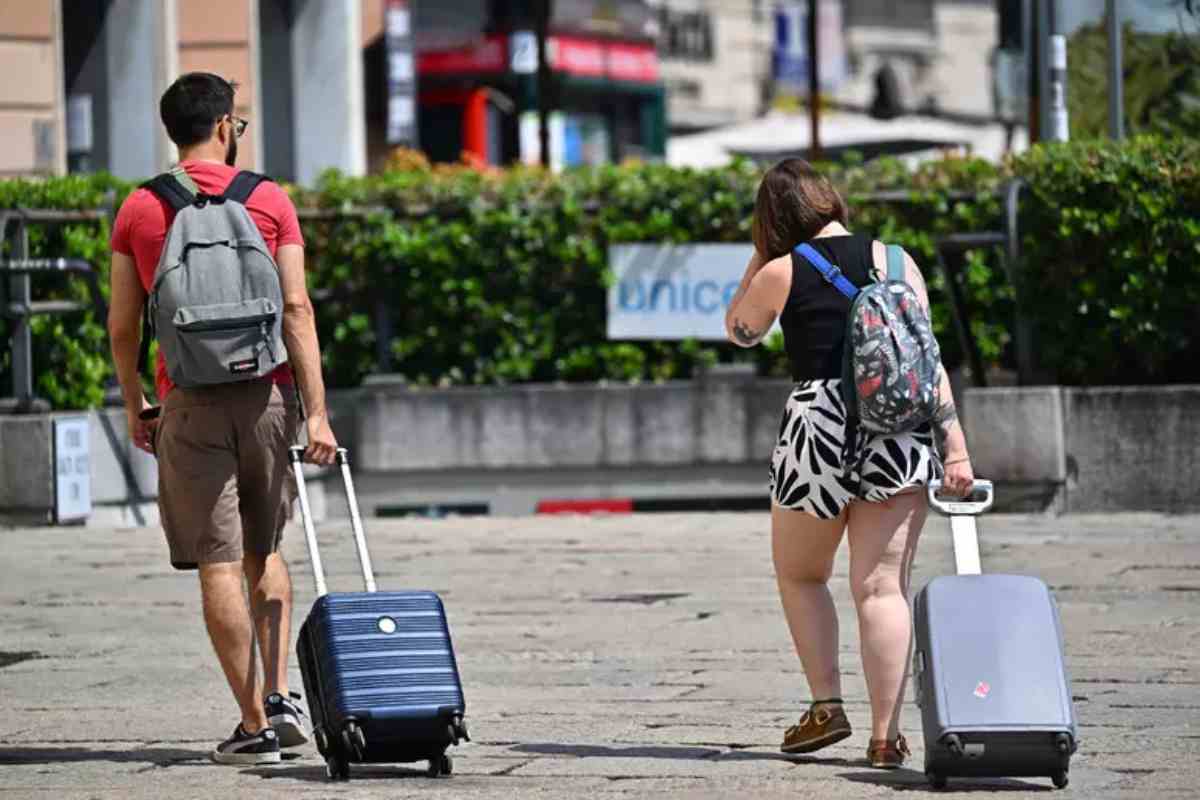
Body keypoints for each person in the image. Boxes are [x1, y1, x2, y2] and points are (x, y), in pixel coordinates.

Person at [107, 73, 339, 765]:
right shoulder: (268, 200)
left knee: (216, 561)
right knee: (264, 550)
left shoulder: (140, 210)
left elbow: (123, 325)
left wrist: (134, 402)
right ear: (226, 125)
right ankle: (279, 695)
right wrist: (317, 413)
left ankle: (251, 724)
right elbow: (296, 308)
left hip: (189, 401)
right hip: (267, 396)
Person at [725, 159, 975, 769]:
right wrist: (956, 447)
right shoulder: (897, 261)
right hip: (897, 426)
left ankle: (826, 706)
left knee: (801, 574)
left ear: (775, 220)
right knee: (880, 586)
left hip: (818, 428)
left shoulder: (782, 270)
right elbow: (923, 355)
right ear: (831, 201)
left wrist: (758, 260)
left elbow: (741, 331)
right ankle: (886, 737)